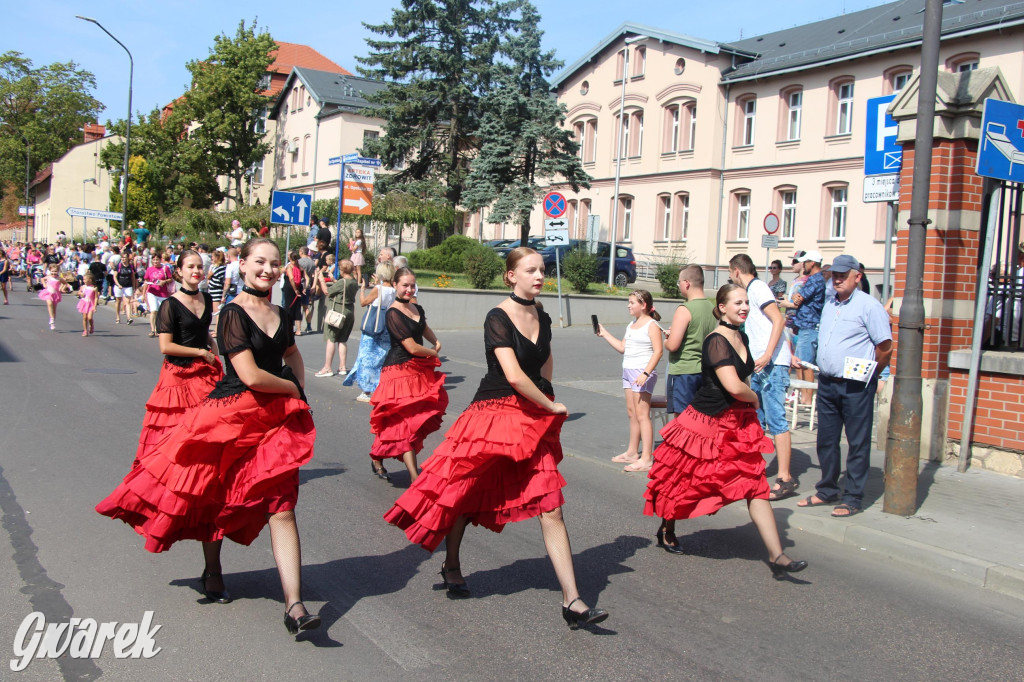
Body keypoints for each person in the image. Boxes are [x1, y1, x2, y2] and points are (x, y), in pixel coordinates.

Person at [96, 238, 320, 635]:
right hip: (233, 415)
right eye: (259, 262)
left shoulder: (281, 313)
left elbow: (292, 353)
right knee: (217, 497)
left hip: (275, 421)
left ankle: (295, 606)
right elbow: (249, 375)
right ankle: (213, 570)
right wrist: (291, 391)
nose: (267, 270)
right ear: (243, 265)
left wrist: (299, 387)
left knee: (282, 507)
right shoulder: (232, 312)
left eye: (273, 263)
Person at [384, 248, 609, 629]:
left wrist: (547, 396)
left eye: (542, 269)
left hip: (531, 413)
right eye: (530, 270)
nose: (539, 275)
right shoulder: (497, 316)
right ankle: (451, 563)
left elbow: (543, 363)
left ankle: (572, 600)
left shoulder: (542, 314)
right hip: (494, 413)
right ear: (510, 276)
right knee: (465, 491)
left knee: (550, 504)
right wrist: (551, 407)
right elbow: (515, 375)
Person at [643, 283, 808, 577]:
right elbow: (733, 386)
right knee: (686, 481)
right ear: (722, 308)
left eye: (746, 302)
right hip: (707, 422)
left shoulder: (740, 335)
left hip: (737, 423)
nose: (744, 307)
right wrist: (755, 398)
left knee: (756, 485)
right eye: (738, 303)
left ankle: (777, 556)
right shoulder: (716, 340)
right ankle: (667, 528)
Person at [795, 255, 893, 518]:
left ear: (857, 276)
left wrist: (873, 373)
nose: (837, 279)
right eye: (835, 275)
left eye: (843, 275)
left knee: (857, 442)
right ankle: (827, 489)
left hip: (856, 384)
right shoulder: (830, 302)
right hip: (828, 381)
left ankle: (852, 497)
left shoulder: (869, 306)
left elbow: (885, 347)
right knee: (826, 439)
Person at [729, 254, 797, 501]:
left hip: (771, 366)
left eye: (730, 273)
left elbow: (778, 319)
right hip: (761, 365)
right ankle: (752, 472)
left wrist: (770, 354)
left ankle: (785, 477)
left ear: (736, 271)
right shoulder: (753, 291)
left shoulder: (758, 288)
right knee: (756, 420)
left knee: (777, 420)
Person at [368, 267, 447, 482]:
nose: (409, 289)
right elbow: (411, 347)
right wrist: (433, 352)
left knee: (408, 423)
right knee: (402, 424)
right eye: (405, 285)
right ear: (394, 285)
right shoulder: (393, 313)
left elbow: (423, 327)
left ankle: (377, 457)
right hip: (398, 372)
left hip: (417, 371)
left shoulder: (416, 307)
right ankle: (414, 476)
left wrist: (436, 341)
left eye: (412, 285)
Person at [595, 289, 663, 472]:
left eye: (632, 302)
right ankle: (633, 452)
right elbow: (622, 347)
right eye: (629, 302)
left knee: (642, 415)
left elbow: (658, 351)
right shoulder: (631, 324)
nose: (629, 305)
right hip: (628, 370)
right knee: (632, 412)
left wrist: (645, 374)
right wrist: (605, 333)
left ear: (644, 305)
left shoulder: (652, 325)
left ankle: (647, 458)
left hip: (642, 372)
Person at [664, 265, 717, 417]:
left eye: (679, 282)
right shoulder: (711, 308)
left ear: (686, 283)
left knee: (682, 420)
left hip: (684, 371)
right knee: (699, 418)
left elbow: (673, 345)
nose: (679, 286)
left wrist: (666, 339)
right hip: (703, 371)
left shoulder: (685, 309)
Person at [343, 262, 396, 401]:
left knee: (367, 357)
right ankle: (380, 388)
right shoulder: (393, 290)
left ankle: (366, 391)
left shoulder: (378, 288)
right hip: (386, 327)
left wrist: (362, 290)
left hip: (373, 327)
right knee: (381, 358)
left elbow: (363, 302)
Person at [781, 250, 825, 404]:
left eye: (805, 262)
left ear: (812, 263)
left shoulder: (815, 280)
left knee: (806, 364)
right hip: (805, 325)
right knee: (801, 362)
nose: (803, 265)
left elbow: (798, 298)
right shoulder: (814, 279)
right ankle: (803, 396)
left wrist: (794, 299)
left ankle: (807, 398)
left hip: (809, 325)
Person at [315, 259, 359, 377]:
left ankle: (327, 367)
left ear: (342, 270)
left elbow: (327, 291)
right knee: (342, 340)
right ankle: (342, 367)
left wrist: (321, 280)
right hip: (349, 311)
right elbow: (342, 287)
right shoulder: (353, 282)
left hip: (338, 311)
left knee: (331, 338)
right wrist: (335, 280)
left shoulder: (342, 282)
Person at [145, 253, 175, 339]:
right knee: (154, 310)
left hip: (162, 293)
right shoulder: (149, 269)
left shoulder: (165, 268)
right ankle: (153, 329)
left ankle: (159, 329)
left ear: (160, 260)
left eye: (157, 259)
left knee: (162, 312)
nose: (155, 261)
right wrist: (144, 293)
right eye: (154, 260)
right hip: (152, 291)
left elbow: (170, 278)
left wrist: (164, 282)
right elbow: (146, 280)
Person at [282, 250, 306, 336]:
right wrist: (303, 288)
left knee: (289, 307)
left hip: (290, 288)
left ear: (290, 258)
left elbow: (291, 278)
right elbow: (306, 277)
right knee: (297, 308)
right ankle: (298, 330)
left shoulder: (289, 267)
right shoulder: (300, 267)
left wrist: (295, 289)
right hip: (299, 288)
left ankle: (289, 328)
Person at [38, 264, 70, 330]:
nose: (54, 273)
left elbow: (65, 283)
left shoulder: (59, 278)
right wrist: (44, 284)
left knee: (54, 309)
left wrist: (61, 288)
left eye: (55, 271)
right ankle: (52, 318)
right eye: (52, 271)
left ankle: (52, 322)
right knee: (49, 304)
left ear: (58, 271)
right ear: (50, 271)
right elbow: (42, 279)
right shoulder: (49, 277)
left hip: (55, 294)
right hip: (48, 293)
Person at [114, 250, 137, 325]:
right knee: (118, 301)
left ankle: (129, 318)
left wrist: (134, 287)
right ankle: (117, 317)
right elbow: (115, 276)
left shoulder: (131, 266)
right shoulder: (119, 266)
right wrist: (118, 284)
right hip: (119, 286)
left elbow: (133, 277)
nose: (123, 259)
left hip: (128, 285)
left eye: (125, 257)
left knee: (128, 302)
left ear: (128, 258)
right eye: (122, 258)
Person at [207, 249, 227, 317]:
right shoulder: (224, 267)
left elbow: (209, 276)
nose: (212, 258)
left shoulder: (217, 268)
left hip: (216, 292)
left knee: (218, 314)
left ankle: (218, 328)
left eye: (212, 256)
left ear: (216, 258)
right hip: (218, 291)